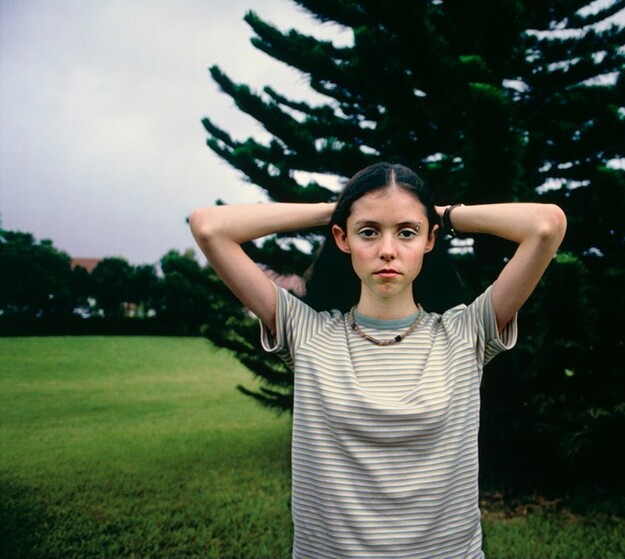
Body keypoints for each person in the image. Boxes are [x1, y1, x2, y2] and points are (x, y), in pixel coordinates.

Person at [189, 162, 567, 558]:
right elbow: (209, 227)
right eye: (368, 231)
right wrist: (333, 209)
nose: (387, 250)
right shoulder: (307, 333)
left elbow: (546, 224)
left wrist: (442, 215)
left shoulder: (466, 332)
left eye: (407, 232)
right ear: (342, 238)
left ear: (429, 240)